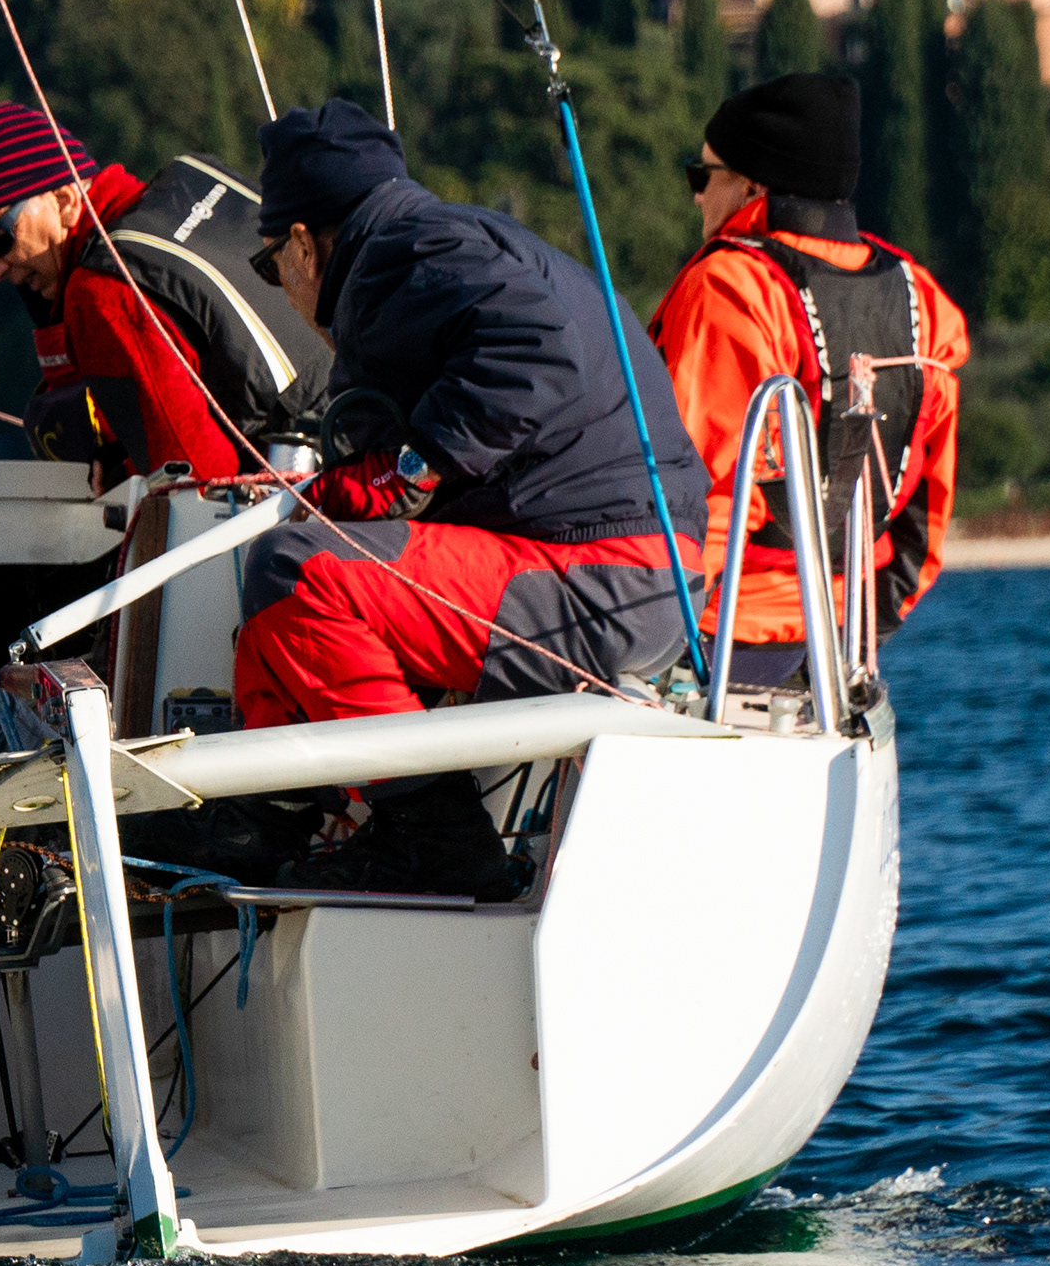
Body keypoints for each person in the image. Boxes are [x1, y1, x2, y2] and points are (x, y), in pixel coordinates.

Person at [178, 99, 714, 900]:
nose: (282, 291)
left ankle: (435, 837)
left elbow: (537, 350)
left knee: (295, 570)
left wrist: (408, 470)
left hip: (603, 577)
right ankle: (284, 816)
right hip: (632, 569)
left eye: (268, 268)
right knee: (270, 610)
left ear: (301, 243)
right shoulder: (447, 242)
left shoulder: (401, 254)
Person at [649, 73, 968, 686]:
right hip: (842, 642)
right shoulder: (923, 301)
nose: (695, 197)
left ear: (751, 186)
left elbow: (696, 491)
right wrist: (869, 628)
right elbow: (930, 507)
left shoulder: (731, 290)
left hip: (719, 639)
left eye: (702, 174)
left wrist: (665, 645)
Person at [0, 100, 328, 483]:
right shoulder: (197, 178)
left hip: (311, 493)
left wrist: (119, 477)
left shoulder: (101, 292)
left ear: (64, 201)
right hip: (366, 427)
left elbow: (190, 472)